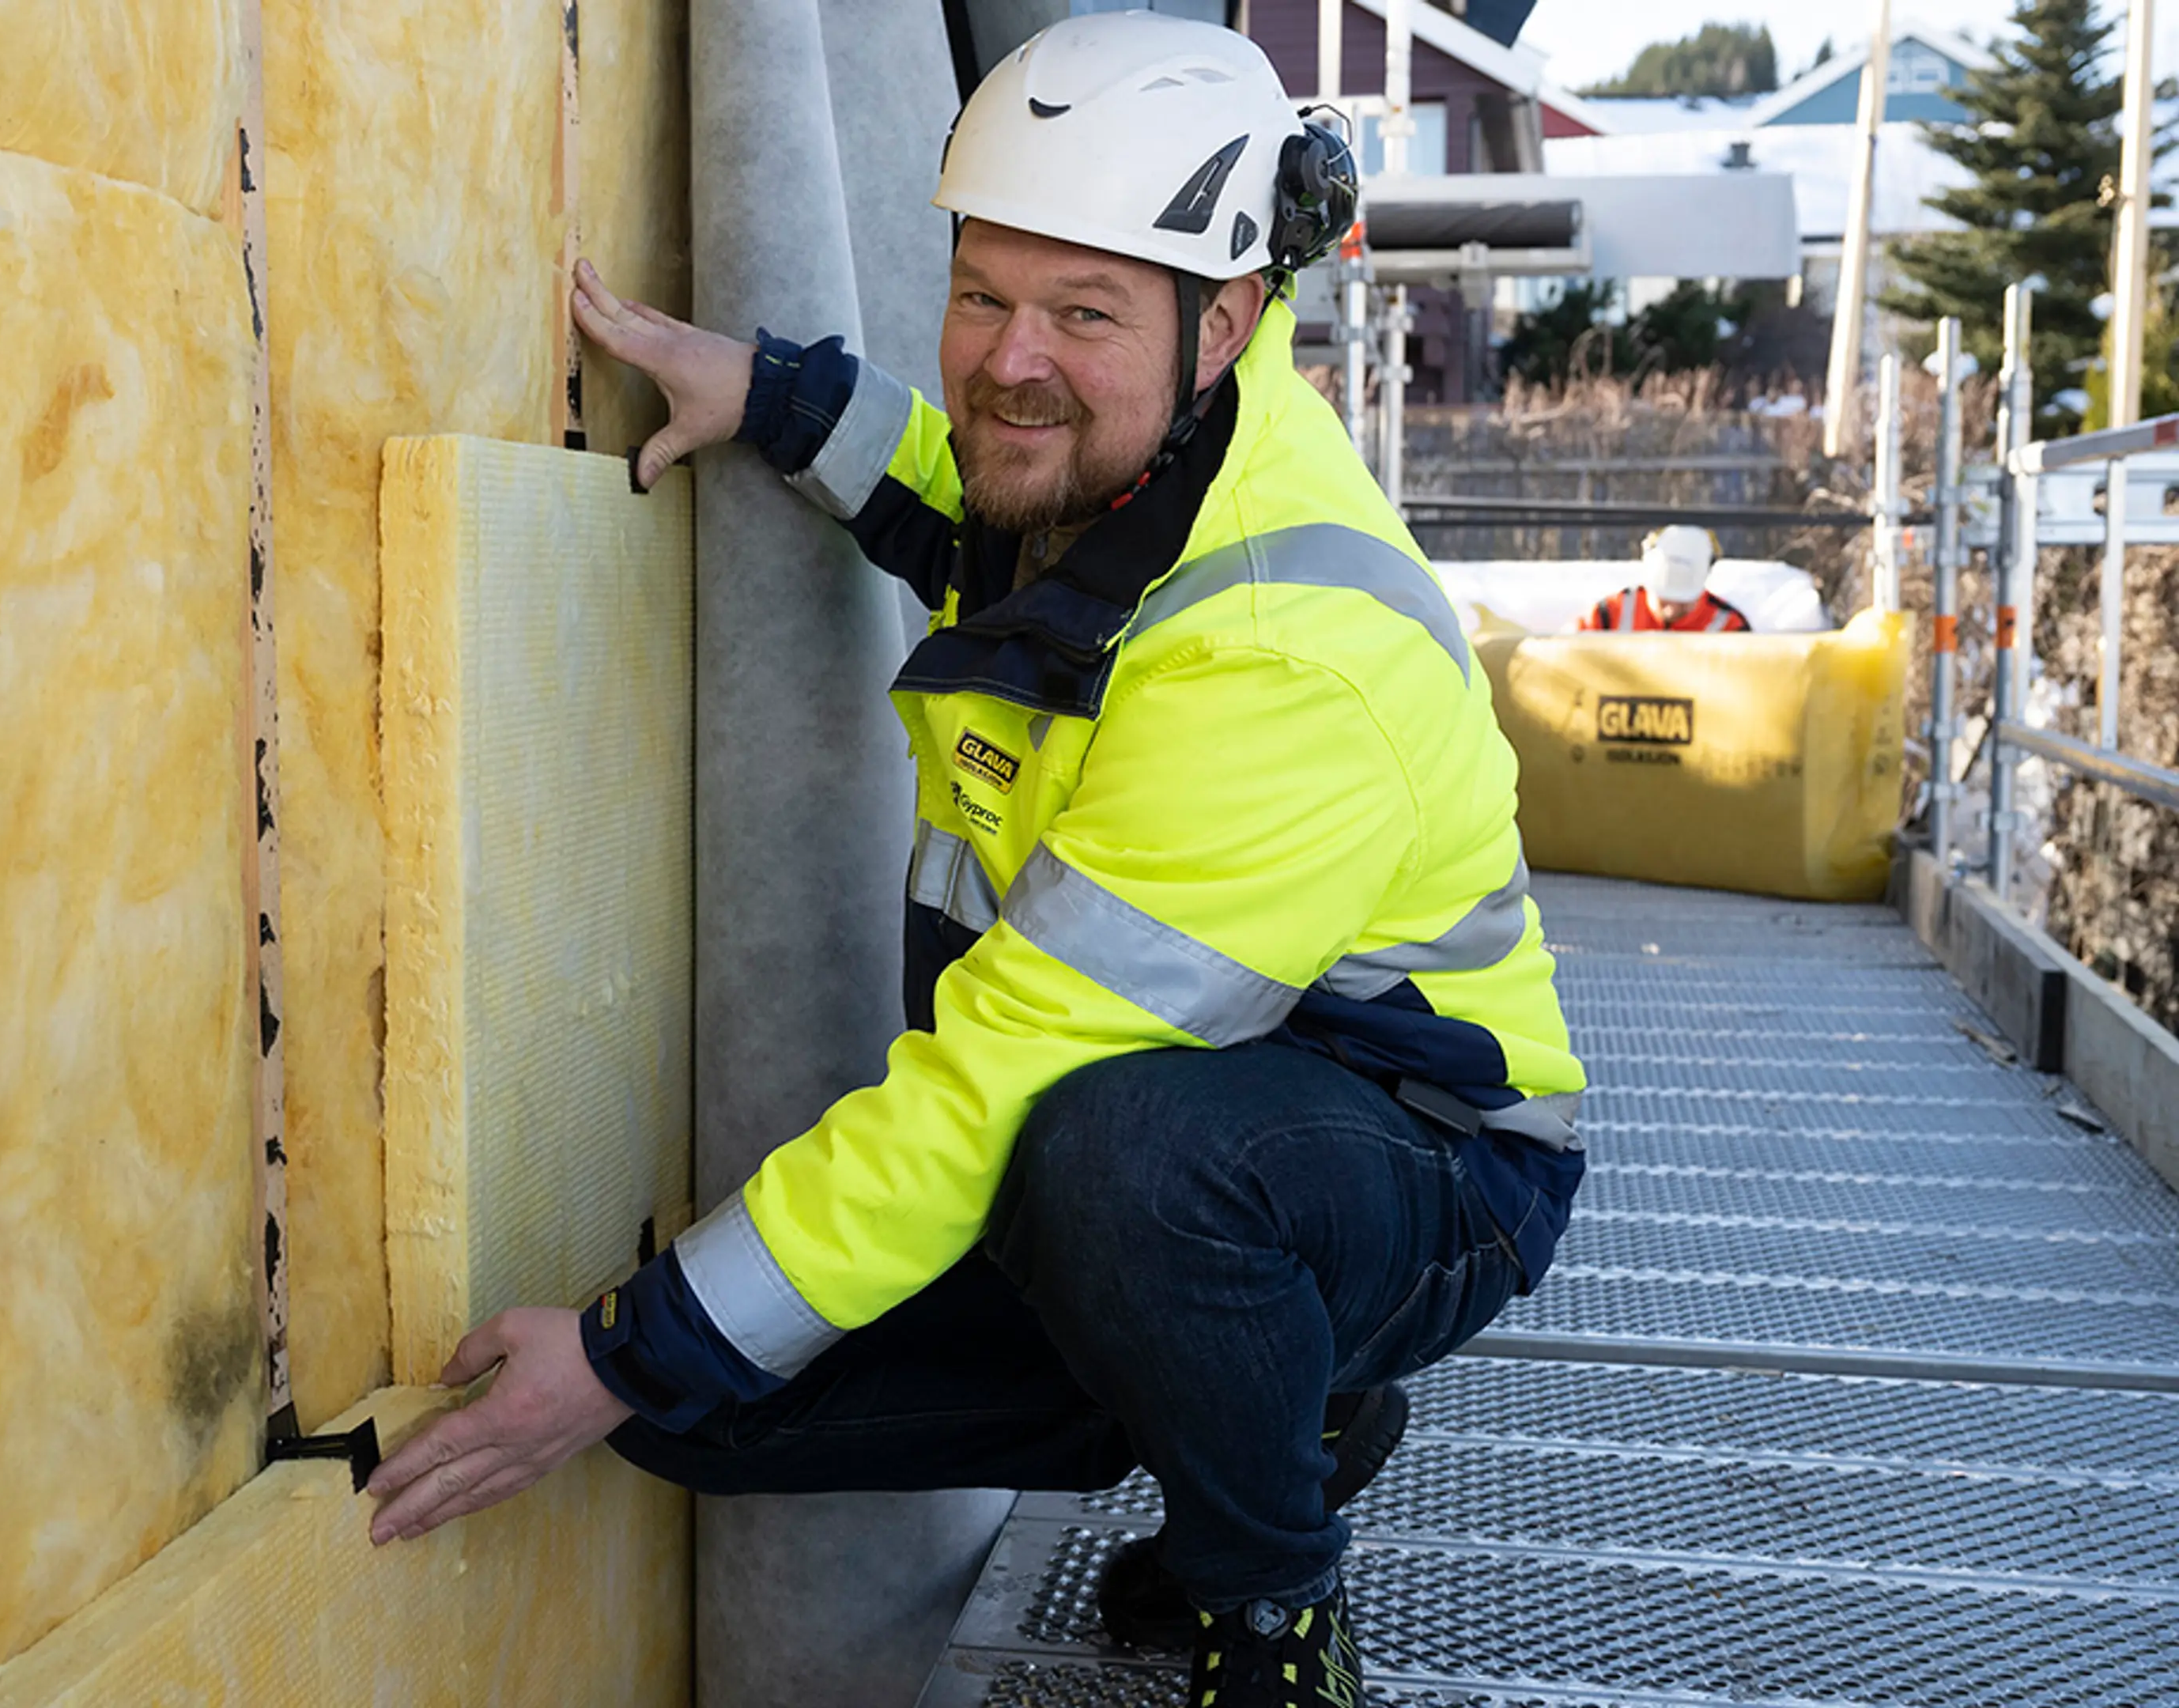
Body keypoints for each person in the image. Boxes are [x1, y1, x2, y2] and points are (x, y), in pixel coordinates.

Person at [361, 16, 1584, 1704]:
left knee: (1112, 1166)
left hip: (1413, 1150)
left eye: (1084, 313)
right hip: (1119, 1119)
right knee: (714, 1419)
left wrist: (621, 1351)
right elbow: (971, 499)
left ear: (1224, 320)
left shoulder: (1279, 649)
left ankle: (1273, 1597)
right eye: (984, 294)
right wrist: (782, 400)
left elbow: (1001, 1085)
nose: (1013, 357)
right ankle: (1269, 1395)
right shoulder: (1127, 458)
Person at [1580, 524, 1752, 633]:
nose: (1671, 611)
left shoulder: (1730, 628)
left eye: (1684, 603)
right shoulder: (1606, 617)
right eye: (1664, 600)